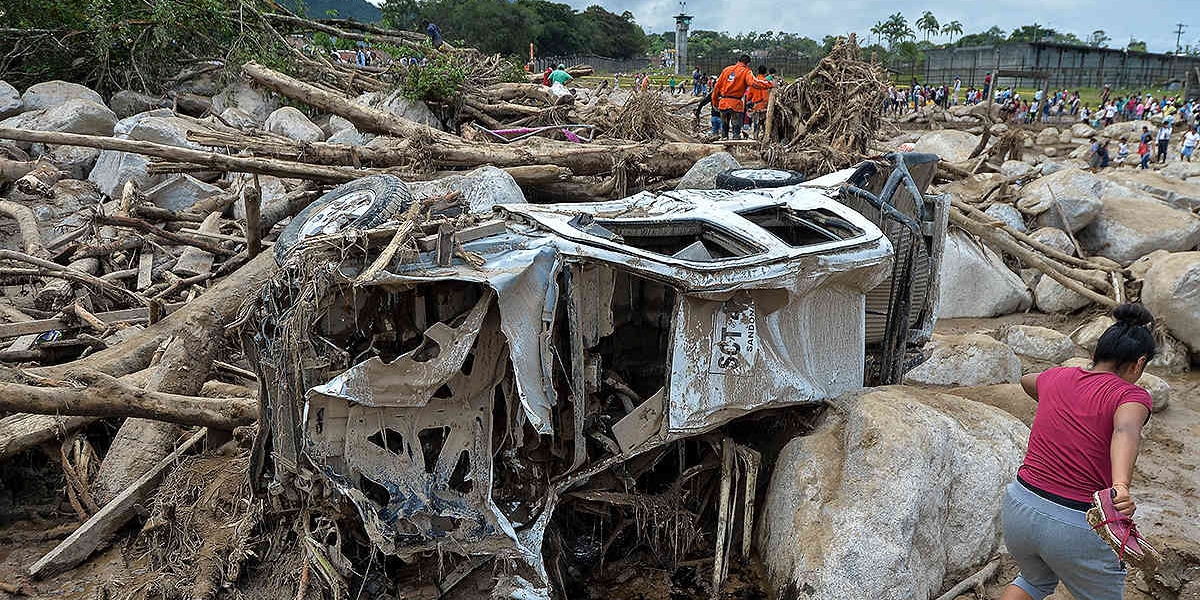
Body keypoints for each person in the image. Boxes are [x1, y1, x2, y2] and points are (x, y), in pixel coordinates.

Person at [1000, 303, 1157, 600]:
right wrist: (1121, 486)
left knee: (1032, 582)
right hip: (1076, 524)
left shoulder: (1059, 377)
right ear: (1139, 363)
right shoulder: (1131, 395)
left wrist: (1056, 394)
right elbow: (1126, 430)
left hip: (1020, 508)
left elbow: (1027, 380)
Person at [711, 54, 772, 140]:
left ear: (738, 61)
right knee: (736, 129)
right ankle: (735, 146)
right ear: (748, 63)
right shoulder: (746, 71)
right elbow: (754, 83)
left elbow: (716, 88)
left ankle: (724, 144)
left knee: (724, 129)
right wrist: (770, 84)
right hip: (736, 104)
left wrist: (715, 102)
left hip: (723, 103)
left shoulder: (726, 70)